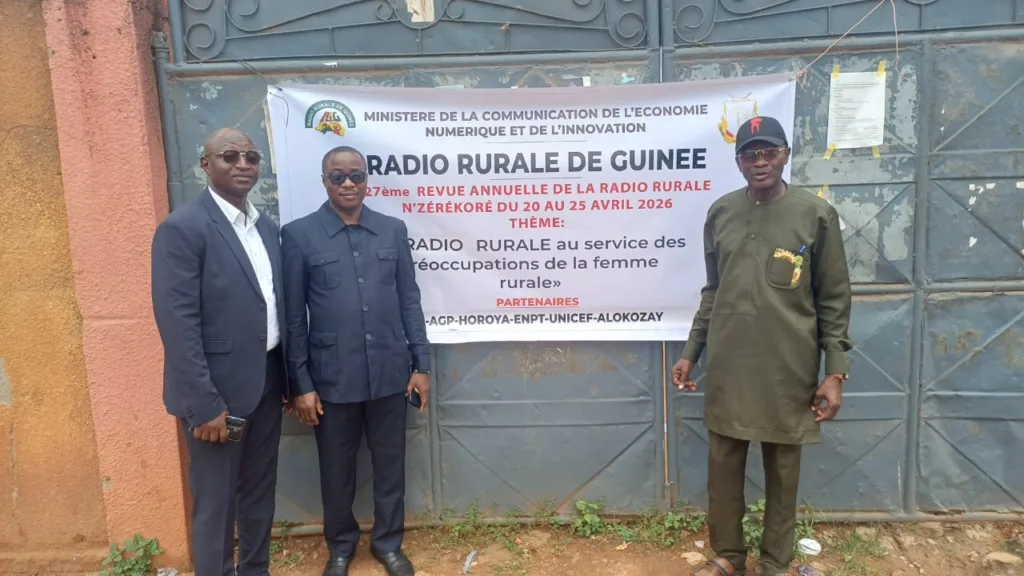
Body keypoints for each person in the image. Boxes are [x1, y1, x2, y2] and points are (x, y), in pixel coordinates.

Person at [672, 116, 853, 576]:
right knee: (723, 466)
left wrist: (834, 371)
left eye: (769, 152)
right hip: (729, 362)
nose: (760, 162)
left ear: (785, 155)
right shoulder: (721, 213)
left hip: (788, 364)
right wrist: (691, 351)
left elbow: (833, 296)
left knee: (783, 470)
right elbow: (713, 290)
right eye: (750, 154)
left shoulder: (815, 215)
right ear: (738, 162)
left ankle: (775, 562)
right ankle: (728, 556)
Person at [281, 145, 430, 576]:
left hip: (389, 371)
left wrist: (421, 365)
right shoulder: (299, 235)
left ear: (367, 180)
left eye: (356, 176)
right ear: (324, 181)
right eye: (338, 176)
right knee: (336, 470)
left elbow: (409, 300)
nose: (348, 183)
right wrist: (301, 384)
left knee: (390, 465)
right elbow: (294, 318)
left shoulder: (391, 230)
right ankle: (341, 547)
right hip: (332, 377)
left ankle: (388, 544)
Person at [151, 128, 288, 576]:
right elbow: (177, 324)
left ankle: (255, 570)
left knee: (259, 493)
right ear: (206, 165)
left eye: (251, 156)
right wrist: (204, 403)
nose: (243, 164)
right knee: (216, 503)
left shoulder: (265, 228)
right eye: (230, 156)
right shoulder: (183, 228)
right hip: (216, 395)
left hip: (266, 382)